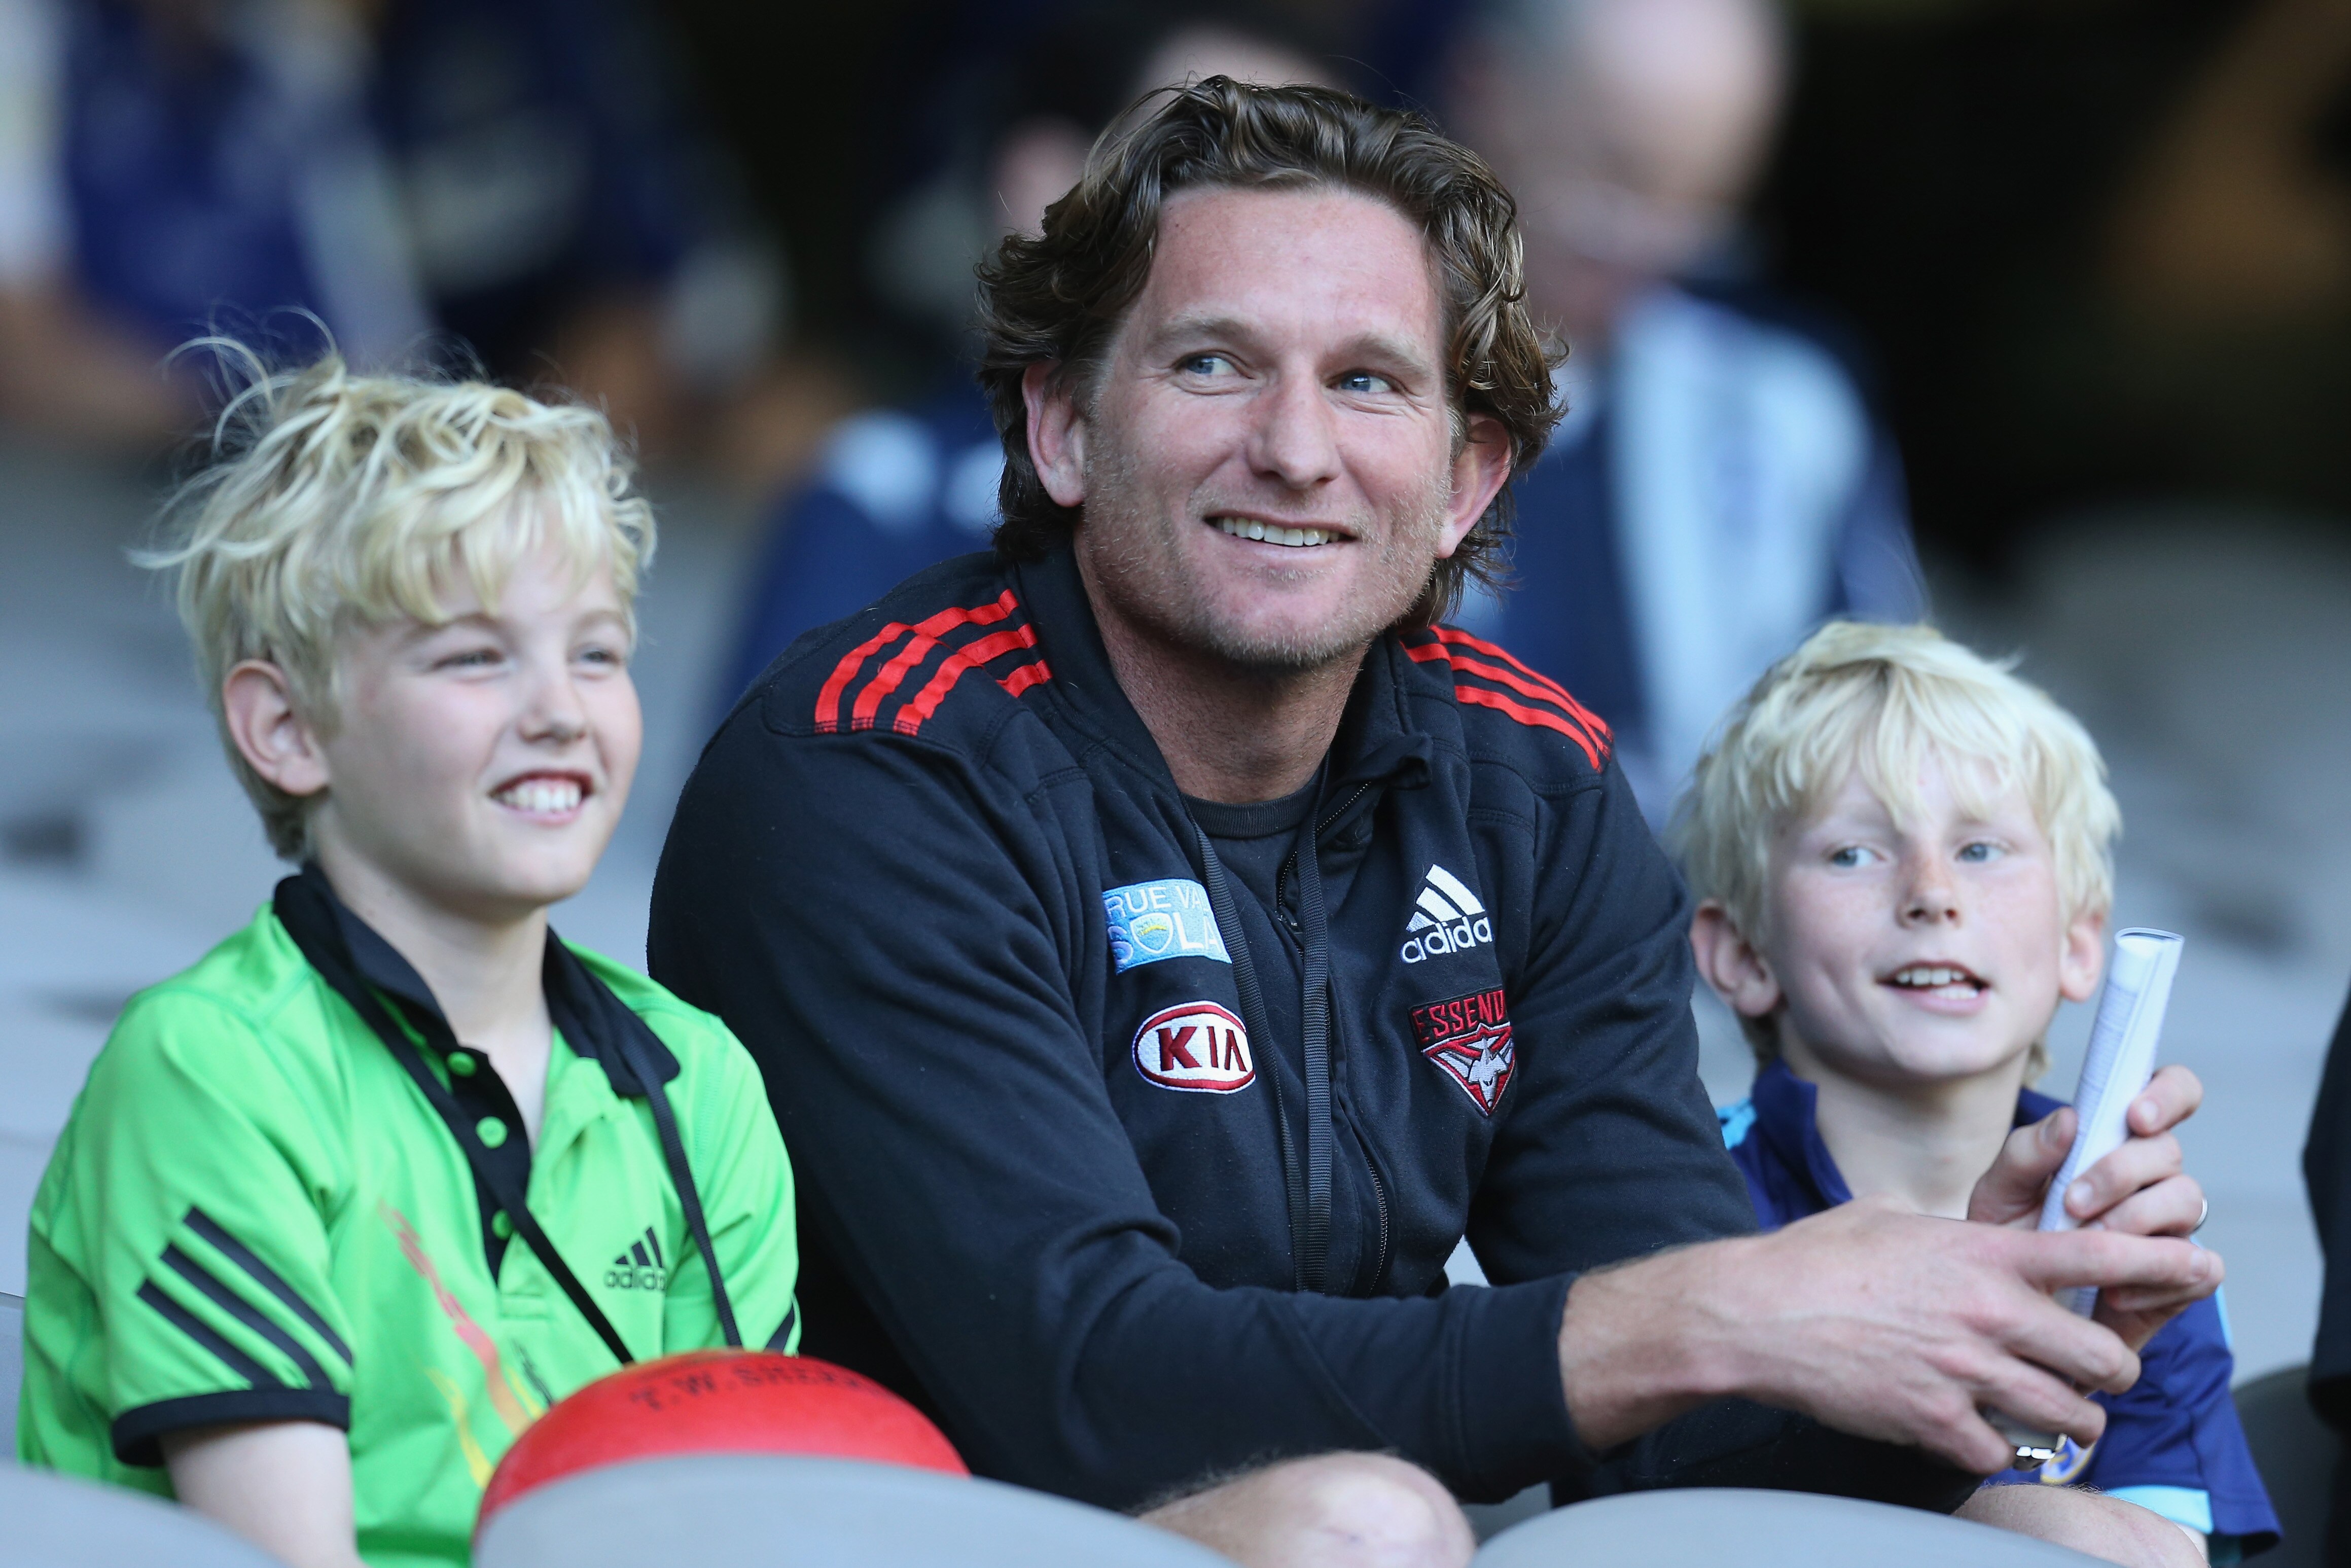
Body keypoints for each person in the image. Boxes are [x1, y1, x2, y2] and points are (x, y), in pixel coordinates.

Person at [649, 80, 2217, 1568]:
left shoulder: (1528, 784)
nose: (1295, 446)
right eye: (1210, 363)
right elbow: (1086, 1384)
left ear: (1467, 478)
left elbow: (1683, 1451)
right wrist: (1703, 1312)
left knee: (2066, 1539)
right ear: (1060, 428)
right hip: (907, 1519)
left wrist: (1979, 1341)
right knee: (1365, 1527)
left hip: (1339, 1515)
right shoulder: (873, 769)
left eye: (1367, 381)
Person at [16, 351, 801, 1568]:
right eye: (474, 657)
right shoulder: (211, 1070)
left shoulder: (702, 1083)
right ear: (285, 727)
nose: (559, 708)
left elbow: (735, 1523)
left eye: (596, 653)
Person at [1673, 621, 2279, 1564]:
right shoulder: (1674, 1198)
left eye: (1983, 850)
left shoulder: (2136, 1237)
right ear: (1744, 956)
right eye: (1852, 854)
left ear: (2082, 943)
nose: (1931, 894)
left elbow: (2177, 1550)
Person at [718, 4, 1345, 706]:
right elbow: (787, 801)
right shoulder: (881, 505)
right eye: (1196, 169)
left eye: (1312, 193)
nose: (1268, 242)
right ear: (1048, 190)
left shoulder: (1427, 521)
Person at [1443, 0, 1923, 818]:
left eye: (1705, 201)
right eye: (1615, 175)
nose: (1656, 242)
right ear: (1490, 90)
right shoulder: (1343, 373)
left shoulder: (1782, 406)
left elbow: (1879, 735)